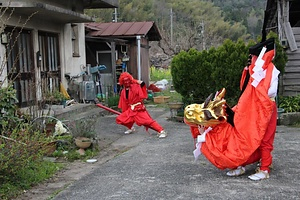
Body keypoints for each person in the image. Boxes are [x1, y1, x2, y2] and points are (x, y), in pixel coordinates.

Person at [185, 38, 279, 181]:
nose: (252, 59)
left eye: (254, 57)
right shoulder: (251, 71)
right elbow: (245, 91)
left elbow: (269, 93)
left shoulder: (271, 71)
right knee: (237, 135)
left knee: (264, 139)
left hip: (265, 110)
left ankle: (265, 168)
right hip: (248, 109)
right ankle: (239, 164)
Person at [116, 72, 167, 138]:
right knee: (121, 119)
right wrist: (125, 111)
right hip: (131, 109)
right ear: (122, 82)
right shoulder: (123, 91)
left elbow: (142, 83)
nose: (126, 82)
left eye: (127, 80)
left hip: (138, 108)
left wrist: (133, 80)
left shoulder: (135, 86)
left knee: (148, 121)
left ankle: (161, 131)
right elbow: (124, 102)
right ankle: (131, 128)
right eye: (124, 81)